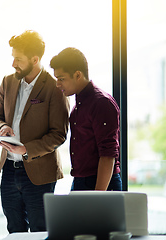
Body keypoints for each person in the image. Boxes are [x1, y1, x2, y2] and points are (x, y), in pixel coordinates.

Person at [0, 30, 70, 233]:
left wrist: (26, 149)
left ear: (35, 59)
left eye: (18, 59)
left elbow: (59, 134)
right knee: (14, 230)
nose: (13, 64)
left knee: (40, 230)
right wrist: (3, 128)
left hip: (40, 173)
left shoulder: (54, 88)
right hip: (9, 170)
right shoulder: (7, 82)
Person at [50, 47, 122, 191]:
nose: (58, 84)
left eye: (61, 79)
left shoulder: (101, 103)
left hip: (100, 184)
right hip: (81, 181)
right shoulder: (79, 105)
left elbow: (108, 155)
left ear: (77, 75)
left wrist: (97, 195)